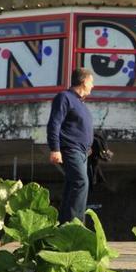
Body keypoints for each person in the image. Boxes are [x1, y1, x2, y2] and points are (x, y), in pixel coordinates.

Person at [47, 67, 95, 223]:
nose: (93, 86)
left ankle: (65, 224)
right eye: (91, 82)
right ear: (83, 81)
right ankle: (75, 223)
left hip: (82, 153)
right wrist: (55, 149)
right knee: (80, 182)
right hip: (70, 149)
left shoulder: (81, 104)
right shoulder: (64, 97)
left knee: (72, 186)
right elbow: (54, 123)